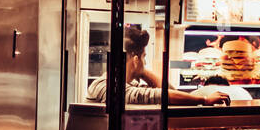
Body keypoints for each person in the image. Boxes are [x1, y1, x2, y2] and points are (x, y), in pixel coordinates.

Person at [87, 27, 229, 105]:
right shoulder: (105, 85)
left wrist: (142, 71)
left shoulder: (128, 85)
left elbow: (169, 90)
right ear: (136, 59)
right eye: (144, 57)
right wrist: (204, 100)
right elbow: (160, 95)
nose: (146, 63)